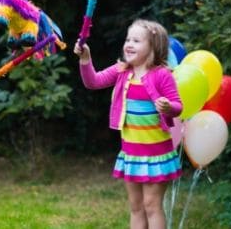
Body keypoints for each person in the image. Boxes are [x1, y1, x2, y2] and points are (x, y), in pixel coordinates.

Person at [73, 19, 182, 229]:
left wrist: (169, 107)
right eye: (128, 39)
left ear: (153, 46)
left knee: (152, 205)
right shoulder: (122, 70)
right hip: (131, 153)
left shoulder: (162, 75)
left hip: (157, 154)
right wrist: (85, 59)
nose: (129, 44)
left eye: (137, 40)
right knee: (136, 206)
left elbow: (179, 106)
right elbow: (93, 82)